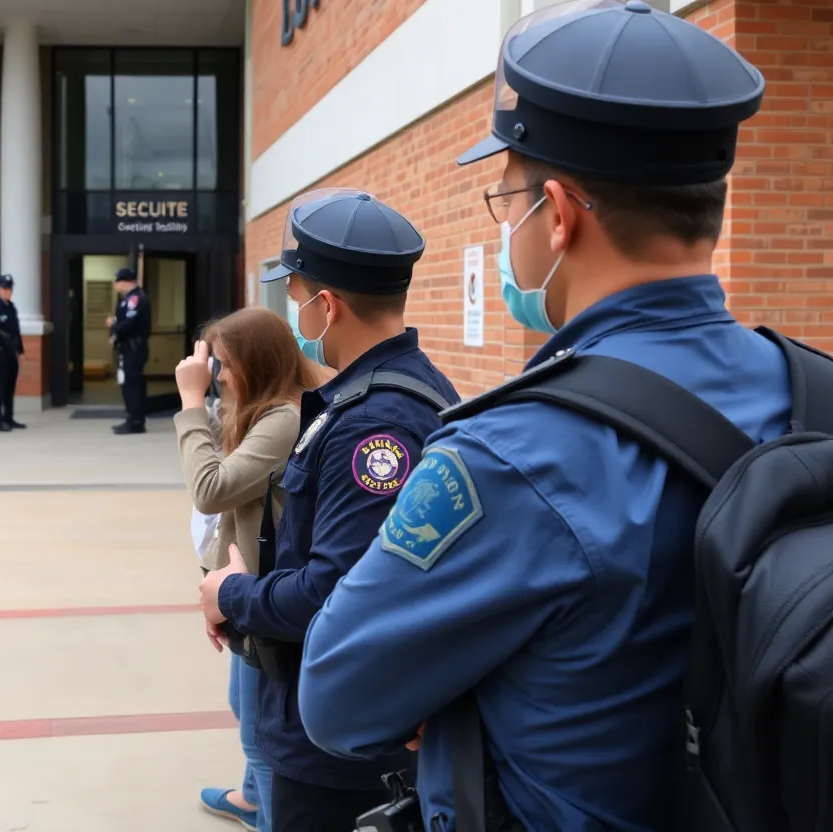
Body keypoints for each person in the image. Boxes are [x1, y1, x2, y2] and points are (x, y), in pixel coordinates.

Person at [296, 3, 788, 831]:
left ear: (556, 216)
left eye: (507, 198)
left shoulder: (512, 452)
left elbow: (338, 695)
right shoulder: (810, 392)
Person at [197, 188, 460, 832]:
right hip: (350, 720)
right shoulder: (388, 394)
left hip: (339, 747)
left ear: (327, 304)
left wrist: (233, 595)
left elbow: (334, 593)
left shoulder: (375, 423)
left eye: (295, 300)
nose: (294, 317)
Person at [175, 308, 322, 832]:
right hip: (246, 593)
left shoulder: (284, 418)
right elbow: (227, 466)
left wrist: (193, 405)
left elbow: (211, 489)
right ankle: (251, 797)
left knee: (258, 733)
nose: (220, 374)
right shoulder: (266, 409)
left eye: (227, 364)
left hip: (261, 598)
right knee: (246, 705)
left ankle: (266, 811)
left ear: (256, 362)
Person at [107, 267, 151, 435]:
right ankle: (132, 417)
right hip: (128, 348)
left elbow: (129, 324)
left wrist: (114, 327)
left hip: (134, 348)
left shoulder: (136, 299)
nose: (115, 285)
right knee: (128, 385)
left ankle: (136, 421)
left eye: (117, 281)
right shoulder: (127, 300)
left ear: (126, 282)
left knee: (133, 385)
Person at [0, 273, 26, 432]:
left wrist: (20, 350)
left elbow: (16, 331)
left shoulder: (12, 308)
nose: (7, 291)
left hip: (11, 354)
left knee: (10, 387)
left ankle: (9, 418)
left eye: (9, 288)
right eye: (4, 288)